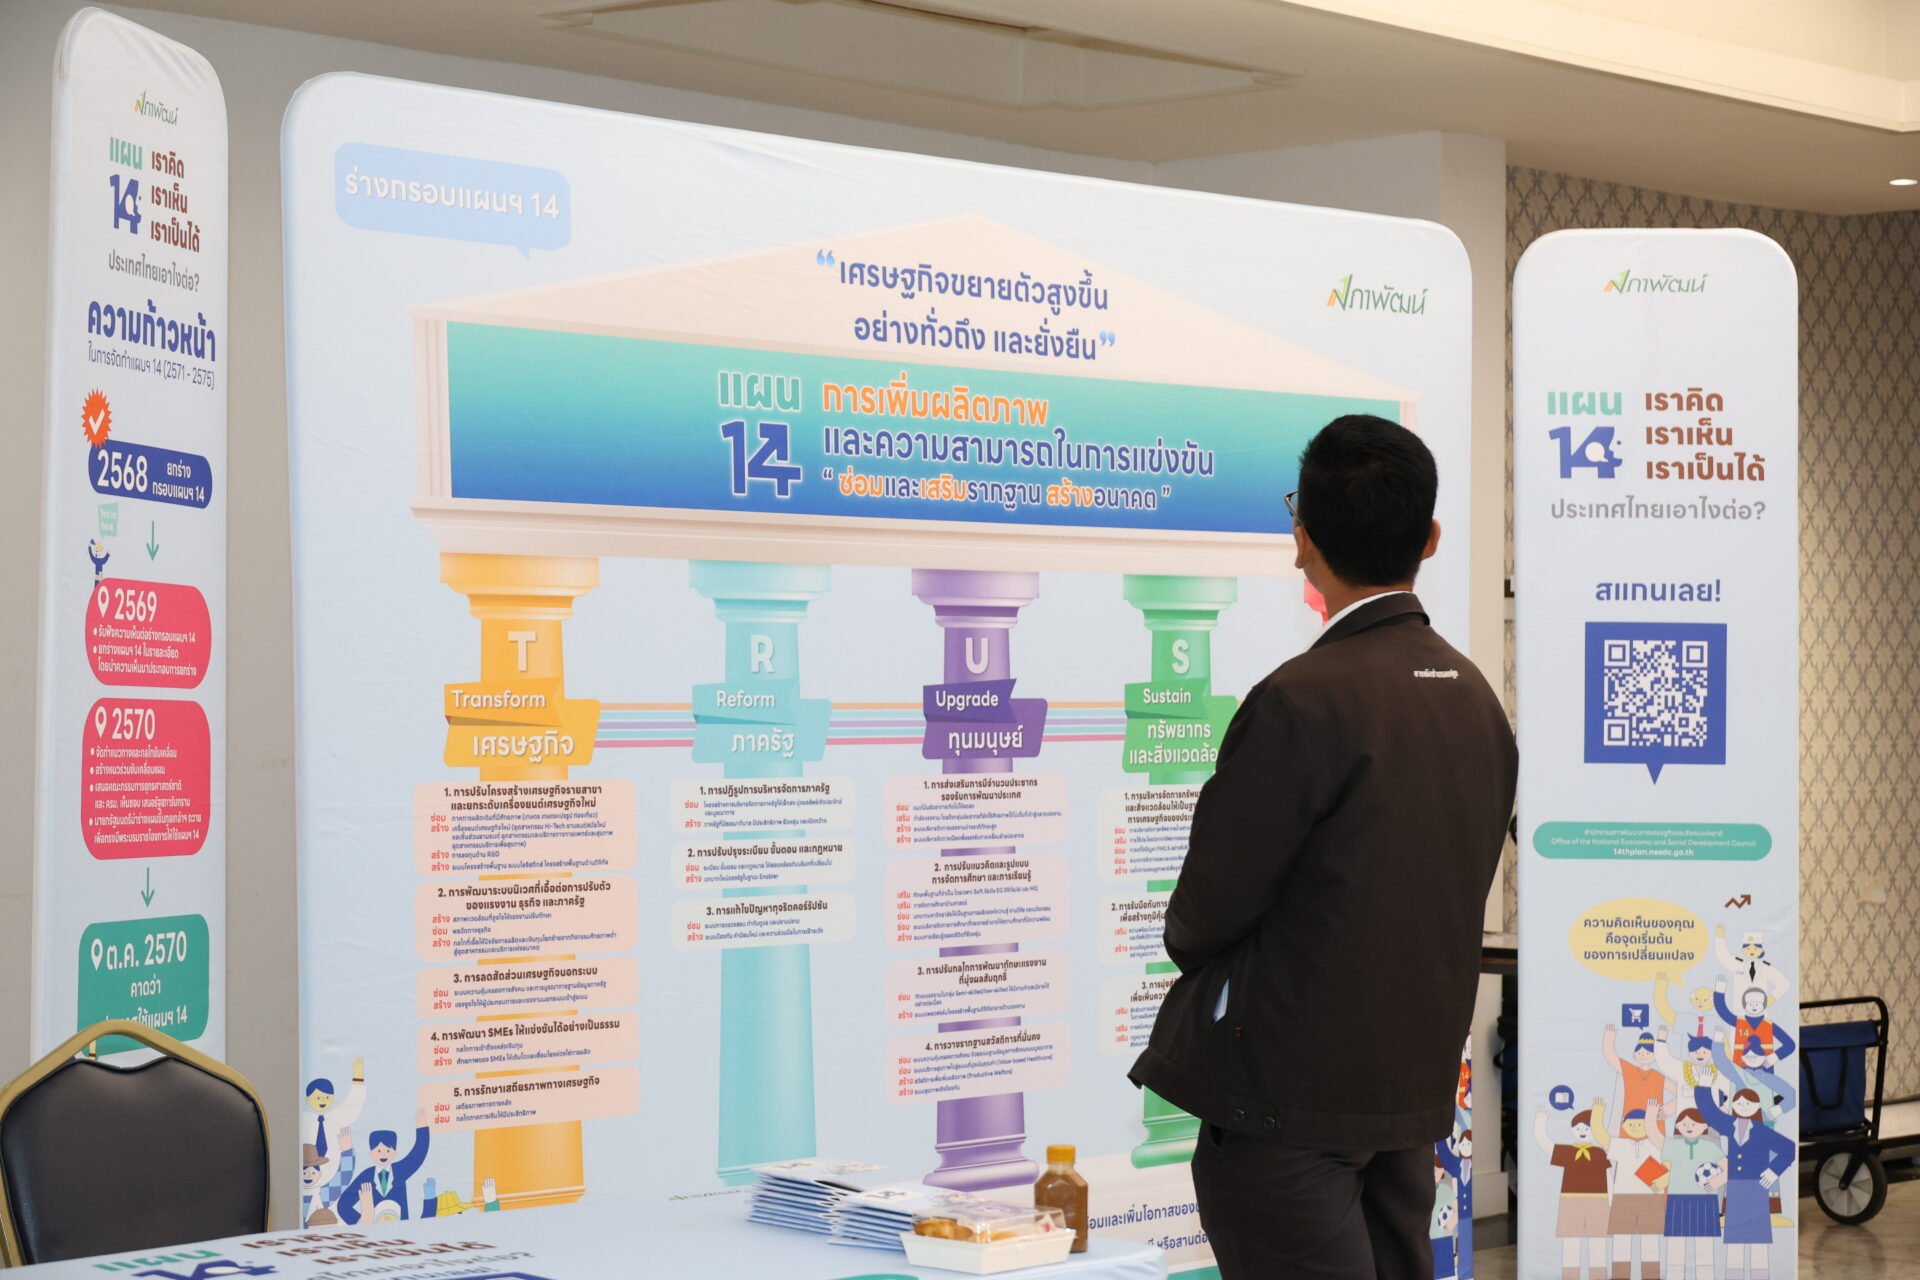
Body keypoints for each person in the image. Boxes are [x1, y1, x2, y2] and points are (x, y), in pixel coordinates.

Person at [1130, 416, 1517, 1280]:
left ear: (1302, 537)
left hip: (1284, 1103)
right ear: (1430, 538)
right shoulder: (1476, 699)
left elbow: (1203, 915)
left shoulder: (1298, 701)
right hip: (1407, 1097)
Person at [1692, 1087, 1792, 1280]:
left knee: (1759, 1237)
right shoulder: (1729, 1125)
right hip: (1735, 1187)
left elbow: (1788, 1148)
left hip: (1757, 1187)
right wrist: (1703, 1087)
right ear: (1733, 1106)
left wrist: (1774, 1170)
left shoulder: (1761, 1130)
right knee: (1734, 1236)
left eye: (1748, 1103)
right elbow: (1709, 1112)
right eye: (1739, 1103)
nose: (1743, 1106)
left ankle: (1761, 1275)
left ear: (1757, 1106)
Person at [1536, 1102, 1613, 1280]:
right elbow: (1546, 1144)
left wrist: (1611, 1201)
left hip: (1598, 1201)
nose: (1582, 1131)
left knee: (1598, 1241)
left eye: (1587, 1128)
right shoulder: (1567, 1151)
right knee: (1571, 1241)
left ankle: (1598, 1275)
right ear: (1572, 1130)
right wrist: (1540, 1122)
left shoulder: (1600, 1153)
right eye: (1578, 1128)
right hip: (1570, 1201)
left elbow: (1608, 1176)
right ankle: (1570, 1276)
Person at [1654, 1105, 1724, 1280]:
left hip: (1706, 1202)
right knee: (1675, 1245)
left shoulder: (1711, 1147)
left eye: (1694, 1123)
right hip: (1677, 1200)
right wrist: (1650, 1115)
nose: (1689, 1127)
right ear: (1678, 1127)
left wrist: (1718, 1180)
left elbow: (1727, 1168)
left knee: (1705, 1246)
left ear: (1704, 1127)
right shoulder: (1672, 1145)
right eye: (1684, 1123)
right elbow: (1654, 1135)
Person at [1603, 1109, 1666, 1279]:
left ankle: (1652, 1276)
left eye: (1640, 1124)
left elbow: (1671, 1163)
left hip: (1651, 1198)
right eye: (1631, 1124)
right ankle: (1619, 1276)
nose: (1636, 1127)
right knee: (1621, 1239)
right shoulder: (1620, 1144)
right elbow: (1602, 1136)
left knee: (1650, 1239)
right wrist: (1597, 1116)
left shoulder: (1657, 1143)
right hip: (1623, 1197)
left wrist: (1663, 1180)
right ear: (1623, 1125)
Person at [336, 1113, 431, 1223]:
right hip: (375, 1230)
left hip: (401, 1228)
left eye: (388, 1151)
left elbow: (418, 1154)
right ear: (371, 1153)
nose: (383, 1155)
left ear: (395, 1152)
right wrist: (364, 1221)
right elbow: (343, 1206)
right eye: (378, 1151)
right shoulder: (366, 1176)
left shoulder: (400, 1170)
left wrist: (422, 1126)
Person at [301, 1059, 366, 1161]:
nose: (322, 1101)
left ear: (332, 1099)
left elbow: (352, 1106)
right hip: (307, 1167)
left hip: (333, 1165)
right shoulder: (303, 1118)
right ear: (307, 1100)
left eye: (327, 1097)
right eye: (317, 1098)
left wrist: (358, 1080)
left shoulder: (336, 1117)